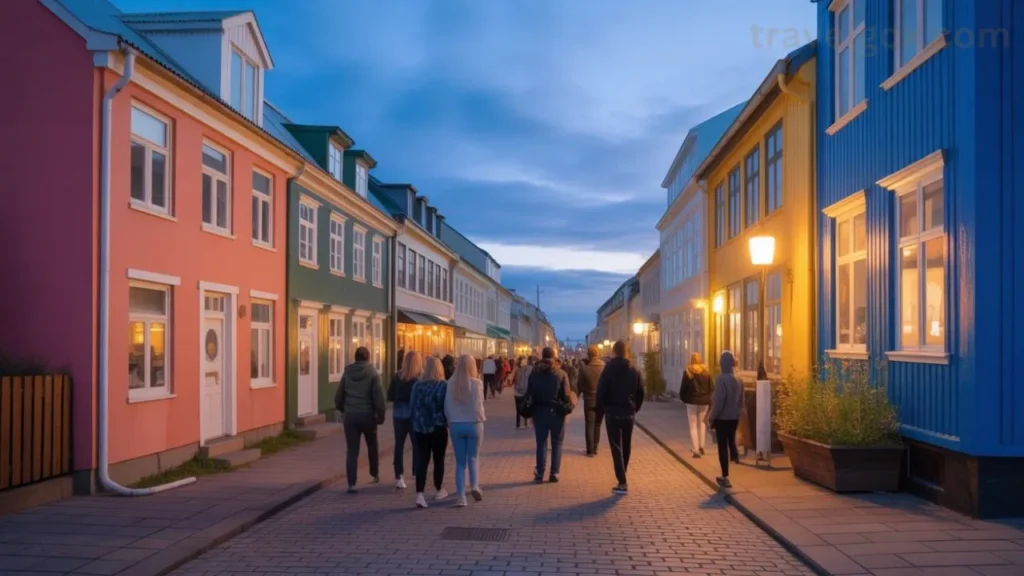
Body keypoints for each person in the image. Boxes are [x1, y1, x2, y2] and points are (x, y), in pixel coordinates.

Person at [596, 340, 645, 496]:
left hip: (612, 413)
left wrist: (603, 409)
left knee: (616, 446)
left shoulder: (608, 370)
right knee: (626, 444)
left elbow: (601, 391)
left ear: (614, 351)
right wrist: (634, 408)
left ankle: (622, 481)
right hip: (628, 413)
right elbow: (640, 392)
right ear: (626, 352)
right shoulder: (634, 370)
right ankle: (623, 475)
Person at [335, 346, 386, 494]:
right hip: (368, 415)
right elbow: (378, 398)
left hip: (351, 416)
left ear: (355, 357)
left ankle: (352, 483)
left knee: (352, 450)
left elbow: (339, 396)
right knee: (372, 445)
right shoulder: (373, 373)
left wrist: (343, 409)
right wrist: (380, 416)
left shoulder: (347, 372)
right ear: (368, 357)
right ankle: (375, 473)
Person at [525, 347, 573, 483]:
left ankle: (540, 472)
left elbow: (530, 393)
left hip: (539, 412)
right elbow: (566, 395)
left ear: (542, 356)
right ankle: (554, 472)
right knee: (557, 443)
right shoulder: (561, 373)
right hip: (557, 412)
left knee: (541, 443)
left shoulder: (535, 373)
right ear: (554, 356)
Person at [445, 354, 486, 507]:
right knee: (473, 457)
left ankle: (461, 496)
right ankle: (474, 486)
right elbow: (480, 404)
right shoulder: (477, 383)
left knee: (460, 463)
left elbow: (446, 407)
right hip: (474, 423)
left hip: (456, 424)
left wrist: (450, 421)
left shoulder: (450, 384)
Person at [410, 356, 449, 508]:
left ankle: (419, 494)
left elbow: (412, 406)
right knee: (438, 460)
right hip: (438, 428)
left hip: (420, 428)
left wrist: (416, 421)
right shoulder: (443, 386)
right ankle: (439, 489)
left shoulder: (417, 386)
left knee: (422, 460)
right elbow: (446, 407)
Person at [708, 350, 744, 488]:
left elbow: (718, 402)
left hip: (722, 417)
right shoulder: (739, 380)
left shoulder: (721, 379)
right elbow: (742, 401)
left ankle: (725, 475)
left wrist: (712, 417)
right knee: (731, 438)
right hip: (734, 416)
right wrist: (738, 413)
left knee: (722, 446)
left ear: (722, 364)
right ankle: (734, 454)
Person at [389, 350, 422, 489]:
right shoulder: (419, 378)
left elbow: (390, 394)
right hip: (413, 414)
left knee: (399, 445)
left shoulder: (397, 376)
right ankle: (416, 472)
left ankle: (399, 476)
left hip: (398, 414)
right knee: (417, 445)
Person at [679, 352, 713, 459]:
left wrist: (684, 399)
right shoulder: (706, 372)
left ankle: (695, 449)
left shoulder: (688, 372)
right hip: (704, 401)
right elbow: (711, 387)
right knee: (702, 424)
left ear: (691, 360)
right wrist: (708, 398)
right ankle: (702, 446)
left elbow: (683, 388)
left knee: (693, 426)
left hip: (691, 401)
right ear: (700, 359)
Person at [577, 346, 605, 457]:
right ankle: (595, 447)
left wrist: (578, 395)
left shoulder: (585, 368)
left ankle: (590, 450)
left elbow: (580, 385)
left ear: (589, 355)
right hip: (601, 400)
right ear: (598, 354)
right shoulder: (604, 367)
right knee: (598, 424)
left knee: (589, 424)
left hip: (589, 399)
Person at [513, 356, 534, 429]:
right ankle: (526, 423)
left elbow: (513, 380)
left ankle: (518, 424)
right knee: (526, 406)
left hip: (517, 392)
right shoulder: (531, 369)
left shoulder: (517, 370)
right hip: (525, 392)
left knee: (518, 409)